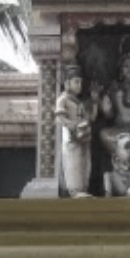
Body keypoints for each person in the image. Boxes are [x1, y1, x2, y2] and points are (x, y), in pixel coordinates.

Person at [55, 65, 93, 197]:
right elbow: (60, 117)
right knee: (73, 161)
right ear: (67, 83)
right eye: (76, 82)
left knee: (84, 161)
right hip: (71, 136)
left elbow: (90, 117)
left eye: (80, 82)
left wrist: (95, 101)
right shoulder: (63, 99)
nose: (79, 85)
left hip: (82, 135)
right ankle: (74, 190)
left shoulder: (79, 102)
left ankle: (83, 188)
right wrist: (71, 126)